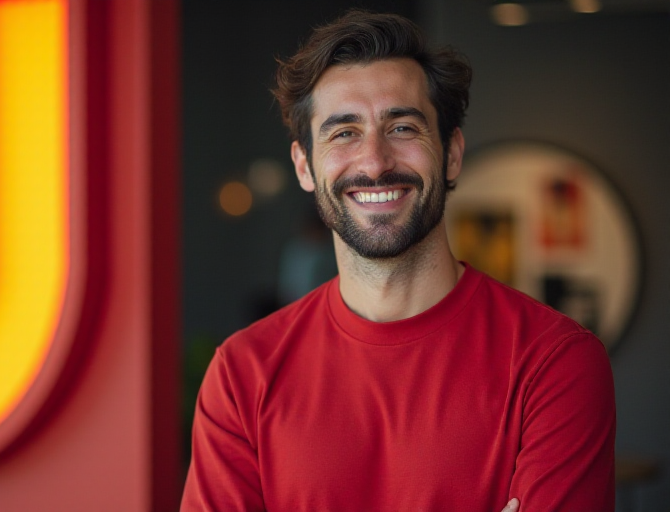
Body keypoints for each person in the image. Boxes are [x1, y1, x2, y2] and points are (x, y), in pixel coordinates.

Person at [181, 10, 615, 512]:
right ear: (305, 165)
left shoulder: (553, 362)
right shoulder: (242, 375)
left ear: (451, 153)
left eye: (403, 126)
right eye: (343, 133)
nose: (375, 161)